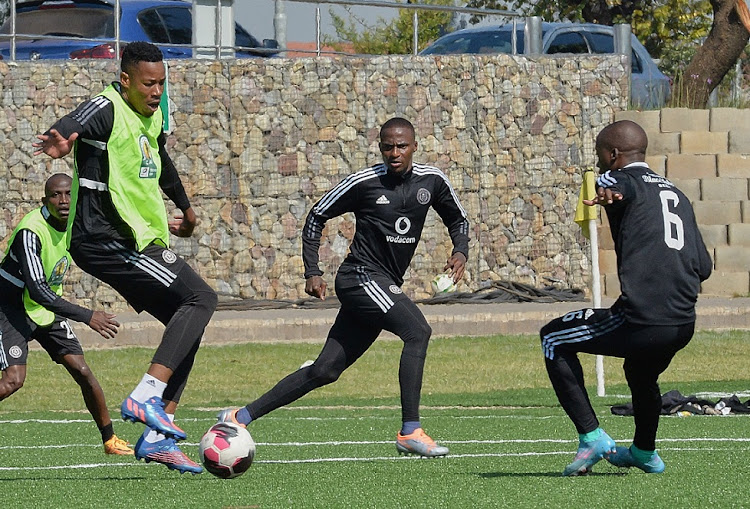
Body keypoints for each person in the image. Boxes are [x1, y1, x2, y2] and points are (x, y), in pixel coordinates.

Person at [218, 117, 470, 457]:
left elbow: (458, 218)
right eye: (387, 147)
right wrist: (313, 271)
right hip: (360, 277)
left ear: (414, 146)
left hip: (380, 284)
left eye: (401, 146)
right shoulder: (363, 182)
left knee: (325, 370)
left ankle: (240, 416)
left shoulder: (432, 181)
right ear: (380, 147)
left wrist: (460, 250)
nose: (394, 153)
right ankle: (410, 430)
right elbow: (317, 215)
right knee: (417, 331)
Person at [33, 42, 217, 474]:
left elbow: (161, 158)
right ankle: (146, 395)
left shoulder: (151, 117)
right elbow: (77, 119)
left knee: (187, 323)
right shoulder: (109, 105)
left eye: (161, 84)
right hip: (104, 237)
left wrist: (187, 209)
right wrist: (62, 134)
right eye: (149, 84)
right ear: (126, 81)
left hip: (132, 236)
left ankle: (157, 433)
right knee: (201, 299)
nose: (156, 92)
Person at [540, 120, 712, 476]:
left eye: (603, 156)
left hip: (643, 320)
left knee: (553, 337)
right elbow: (704, 267)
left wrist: (609, 193)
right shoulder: (676, 194)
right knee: (639, 371)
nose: (602, 164)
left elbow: (615, 185)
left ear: (613, 154)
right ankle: (644, 452)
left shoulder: (619, 179)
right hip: (683, 324)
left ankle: (592, 437)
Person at [0, 173, 132, 456]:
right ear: (44, 200)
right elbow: (37, 290)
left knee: (82, 370)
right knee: (13, 380)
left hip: (46, 309)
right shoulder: (30, 231)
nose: (63, 201)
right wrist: (87, 316)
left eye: (68, 194)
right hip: (11, 308)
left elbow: (111, 229)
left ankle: (110, 440)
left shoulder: (76, 222)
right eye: (55, 195)